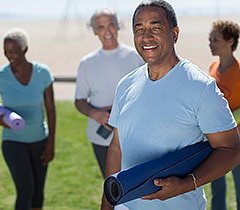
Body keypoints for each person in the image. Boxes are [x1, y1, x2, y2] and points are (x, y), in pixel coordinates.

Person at [101, 1, 240, 210]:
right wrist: (108, 204)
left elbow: (231, 149)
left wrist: (186, 183)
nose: (146, 37)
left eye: (155, 28)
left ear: (174, 34)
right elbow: (116, 148)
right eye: (139, 29)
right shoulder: (126, 84)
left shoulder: (201, 87)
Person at [0, 28, 56, 210]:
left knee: (38, 192)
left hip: (40, 140)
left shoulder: (42, 73)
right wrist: (0, 121)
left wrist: (50, 143)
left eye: (14, 51)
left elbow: (50, 109)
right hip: (13, 142)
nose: (9, 56)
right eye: (6, 52)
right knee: (25, 189)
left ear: (25, 50)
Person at [75, 8, 144, 178]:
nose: (107, 31)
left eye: (111, 25)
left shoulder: (137, 56)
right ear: (94, 31)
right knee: (112, 187)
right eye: (101, 27)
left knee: (137, 188)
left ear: (119, 26)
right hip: (101, 138)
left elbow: (149, 91)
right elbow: (79, 100)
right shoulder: (86, 63)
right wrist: (95, 113)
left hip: (133, 135)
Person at [209, 20, 240, 210]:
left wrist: (227, 122)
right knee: (216, 186)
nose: (211, 43)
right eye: (209, 39)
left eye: (216, 39)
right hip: (216, 140)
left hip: (238, 141)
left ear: (230, 41)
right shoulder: (213, 67)